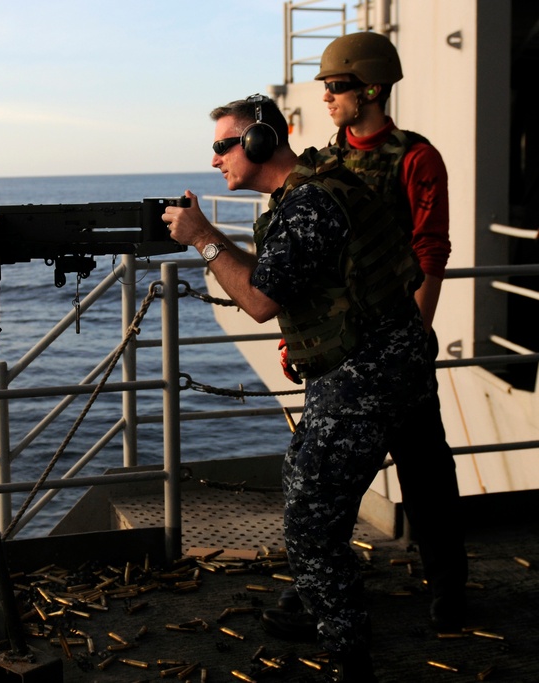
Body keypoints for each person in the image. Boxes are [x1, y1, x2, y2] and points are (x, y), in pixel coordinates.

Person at [164, 94, 433, 683]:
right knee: (323, 507)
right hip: (379, 362)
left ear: (258, 141)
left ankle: (348, 657)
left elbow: (258, 300)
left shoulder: (308, 204)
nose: (215, 162)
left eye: (222, 146)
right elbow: (279, 279)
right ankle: (323, 607)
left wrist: (204, 238)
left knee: (309, 519)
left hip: (367, 374)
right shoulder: (311, 192)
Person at [309, 31, 468, 632]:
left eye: (337, 86)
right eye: (325, 86)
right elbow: (314, 264)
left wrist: (414, 338)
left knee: (426, 471)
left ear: (371, 89)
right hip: (341, 348)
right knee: (330, 476)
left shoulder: (415, 158)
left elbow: (431, 249)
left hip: (394, 342)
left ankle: (449, 586)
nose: (327, 96)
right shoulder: (323, 163)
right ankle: (321, 586)